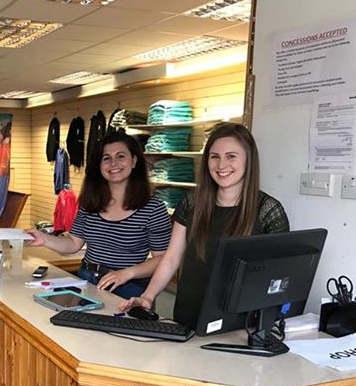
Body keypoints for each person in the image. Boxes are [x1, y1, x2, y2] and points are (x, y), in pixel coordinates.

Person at [120, 122, 290, 328]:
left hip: (241, 324)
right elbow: (172, 258)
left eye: (231, 156)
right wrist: (147, 297)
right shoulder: (192, 203)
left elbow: (278, 277)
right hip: (190, 314)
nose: (221, 165)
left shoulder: (268, 211)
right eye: (214, 156)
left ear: (249, 160)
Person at [27, 131, 171, 299]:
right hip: (87, 279)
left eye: (121, 156)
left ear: (134, 161)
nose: (113, 163)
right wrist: (44, 239)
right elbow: (73, 243)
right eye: (106, 158)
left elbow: (163, 259)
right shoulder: (90, 202)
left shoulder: (153, 208)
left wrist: (126, 273)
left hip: (128, 286)